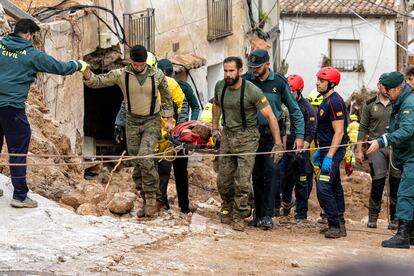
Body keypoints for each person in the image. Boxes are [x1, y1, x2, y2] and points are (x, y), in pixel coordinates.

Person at [0, 19, 88, 207]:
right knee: (17, 149)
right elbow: (60, 68)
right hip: (12, 107)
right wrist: (78, 64)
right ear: (29, 35)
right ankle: (20, 196)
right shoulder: (32, 54)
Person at [83, 45, 174, 218]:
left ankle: (152, 200)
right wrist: (87, 72)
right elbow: (98, 81)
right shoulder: (121, 74)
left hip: (151, 121)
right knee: (136, 159)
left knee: (145, 157)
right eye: (136, 64)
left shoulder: (157, 75)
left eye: (142, 64)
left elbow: (167, 97)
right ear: (131, 61)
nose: (139, 67)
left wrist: (168, 119)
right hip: (132, 122)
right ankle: (142, 192)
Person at [212, 56, 283, 232]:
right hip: (228, 135)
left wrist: (278, 144)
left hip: (248, 137)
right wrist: (214, 127)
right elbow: (216, 105)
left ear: (240, 71)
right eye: (225, 71)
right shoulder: (220, 86)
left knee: (242, 181)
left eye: (231, 71)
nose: (228, 74)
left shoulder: (252, 91)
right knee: (223, 179)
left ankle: (240, 214)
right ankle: (227, 206)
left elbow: (270, 116)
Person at [242, 49, 304, 229]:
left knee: (272, 173)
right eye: (251, 66)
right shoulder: (246, 81)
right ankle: (258, 213)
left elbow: (295, 110)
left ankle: (268, 215)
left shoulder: (279, 83)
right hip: (251, 135)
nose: (254, 70)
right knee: (256, 175)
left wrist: (299, 135)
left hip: (273, 134)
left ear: (267, 64)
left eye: (258, 66)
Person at [366, 71, 414, 249]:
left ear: (398, 88)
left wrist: (382, 141)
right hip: (407, 156)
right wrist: (383, 136)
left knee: (405, 195)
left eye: (388, 90)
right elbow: (395, 126)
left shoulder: (409, 103)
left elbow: (408, 130)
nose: (386, 93)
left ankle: (402, 236)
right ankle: (411, 234)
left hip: (412, 156)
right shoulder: (400, 102)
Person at [357, 78, 400, 229]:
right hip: (376, 147)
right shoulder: (369, 104)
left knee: (396, 184)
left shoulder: (398, 103)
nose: (386, 88)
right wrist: (359, 150)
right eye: (384, 85)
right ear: (379, 85)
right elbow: (363, 128)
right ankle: (373, 215)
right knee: (378, 182)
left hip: (395, 147)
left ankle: (395, 218)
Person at [313, 67, 348, 239]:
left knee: (323, 186)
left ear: (331, 84)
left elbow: (339, 132)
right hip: (326, 149)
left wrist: (329, 155)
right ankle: (340, 224)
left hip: (334, 150)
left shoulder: (335, 102)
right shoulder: (324, 100)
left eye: (321, 80)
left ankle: (334, 224)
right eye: (318, 79)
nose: (317, 83)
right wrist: (320, 151)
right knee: (334, 185)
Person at [280, 74, 316, 222]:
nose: (290, 95)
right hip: (285, 150)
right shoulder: (282, 105)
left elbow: (311, 130)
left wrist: (303, 146)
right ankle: (286, 203)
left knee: (302, 183)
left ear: (299, 91)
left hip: (300, 151)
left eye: (293, 92)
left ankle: (301, 214)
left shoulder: (307, 108)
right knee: (283, 180)